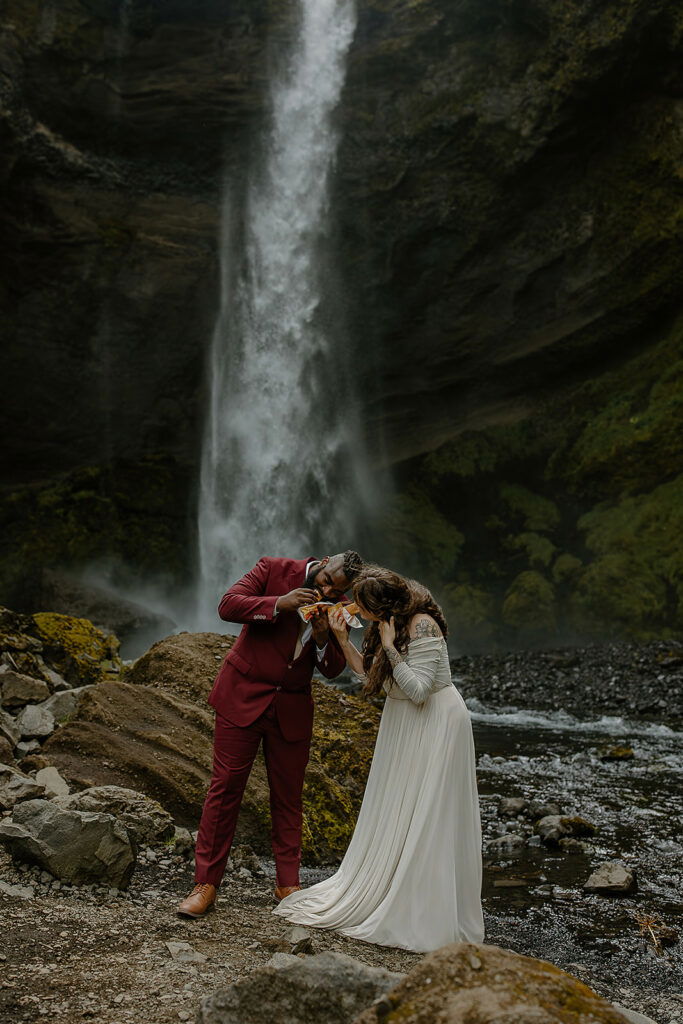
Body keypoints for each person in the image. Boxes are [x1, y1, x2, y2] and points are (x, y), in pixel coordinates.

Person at [273, 566, 485, 952]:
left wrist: (389, 648)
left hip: (435, 721)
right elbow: (367, 675)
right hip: (405, 721)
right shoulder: (385, 623)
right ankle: (389, 882)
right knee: (400, 806)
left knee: (429, 811)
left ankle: (426, 906)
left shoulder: (421, 625)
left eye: (359, 604)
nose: (352, 608)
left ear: (379, 606)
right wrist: (341, 636)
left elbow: (419, 690)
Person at [177, 550, 364, 918]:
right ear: (324, 561)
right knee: (225, 787)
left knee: (289, 796)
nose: (326, 590)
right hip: (242, 695)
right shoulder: (274, 569)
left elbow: (331, 670)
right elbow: (228, 605)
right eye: (326, 580)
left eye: (336, 589)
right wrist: (280, 603)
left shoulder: (341, 606)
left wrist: (326, 638)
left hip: (291, 709)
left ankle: (287, 886)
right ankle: (205, 884)